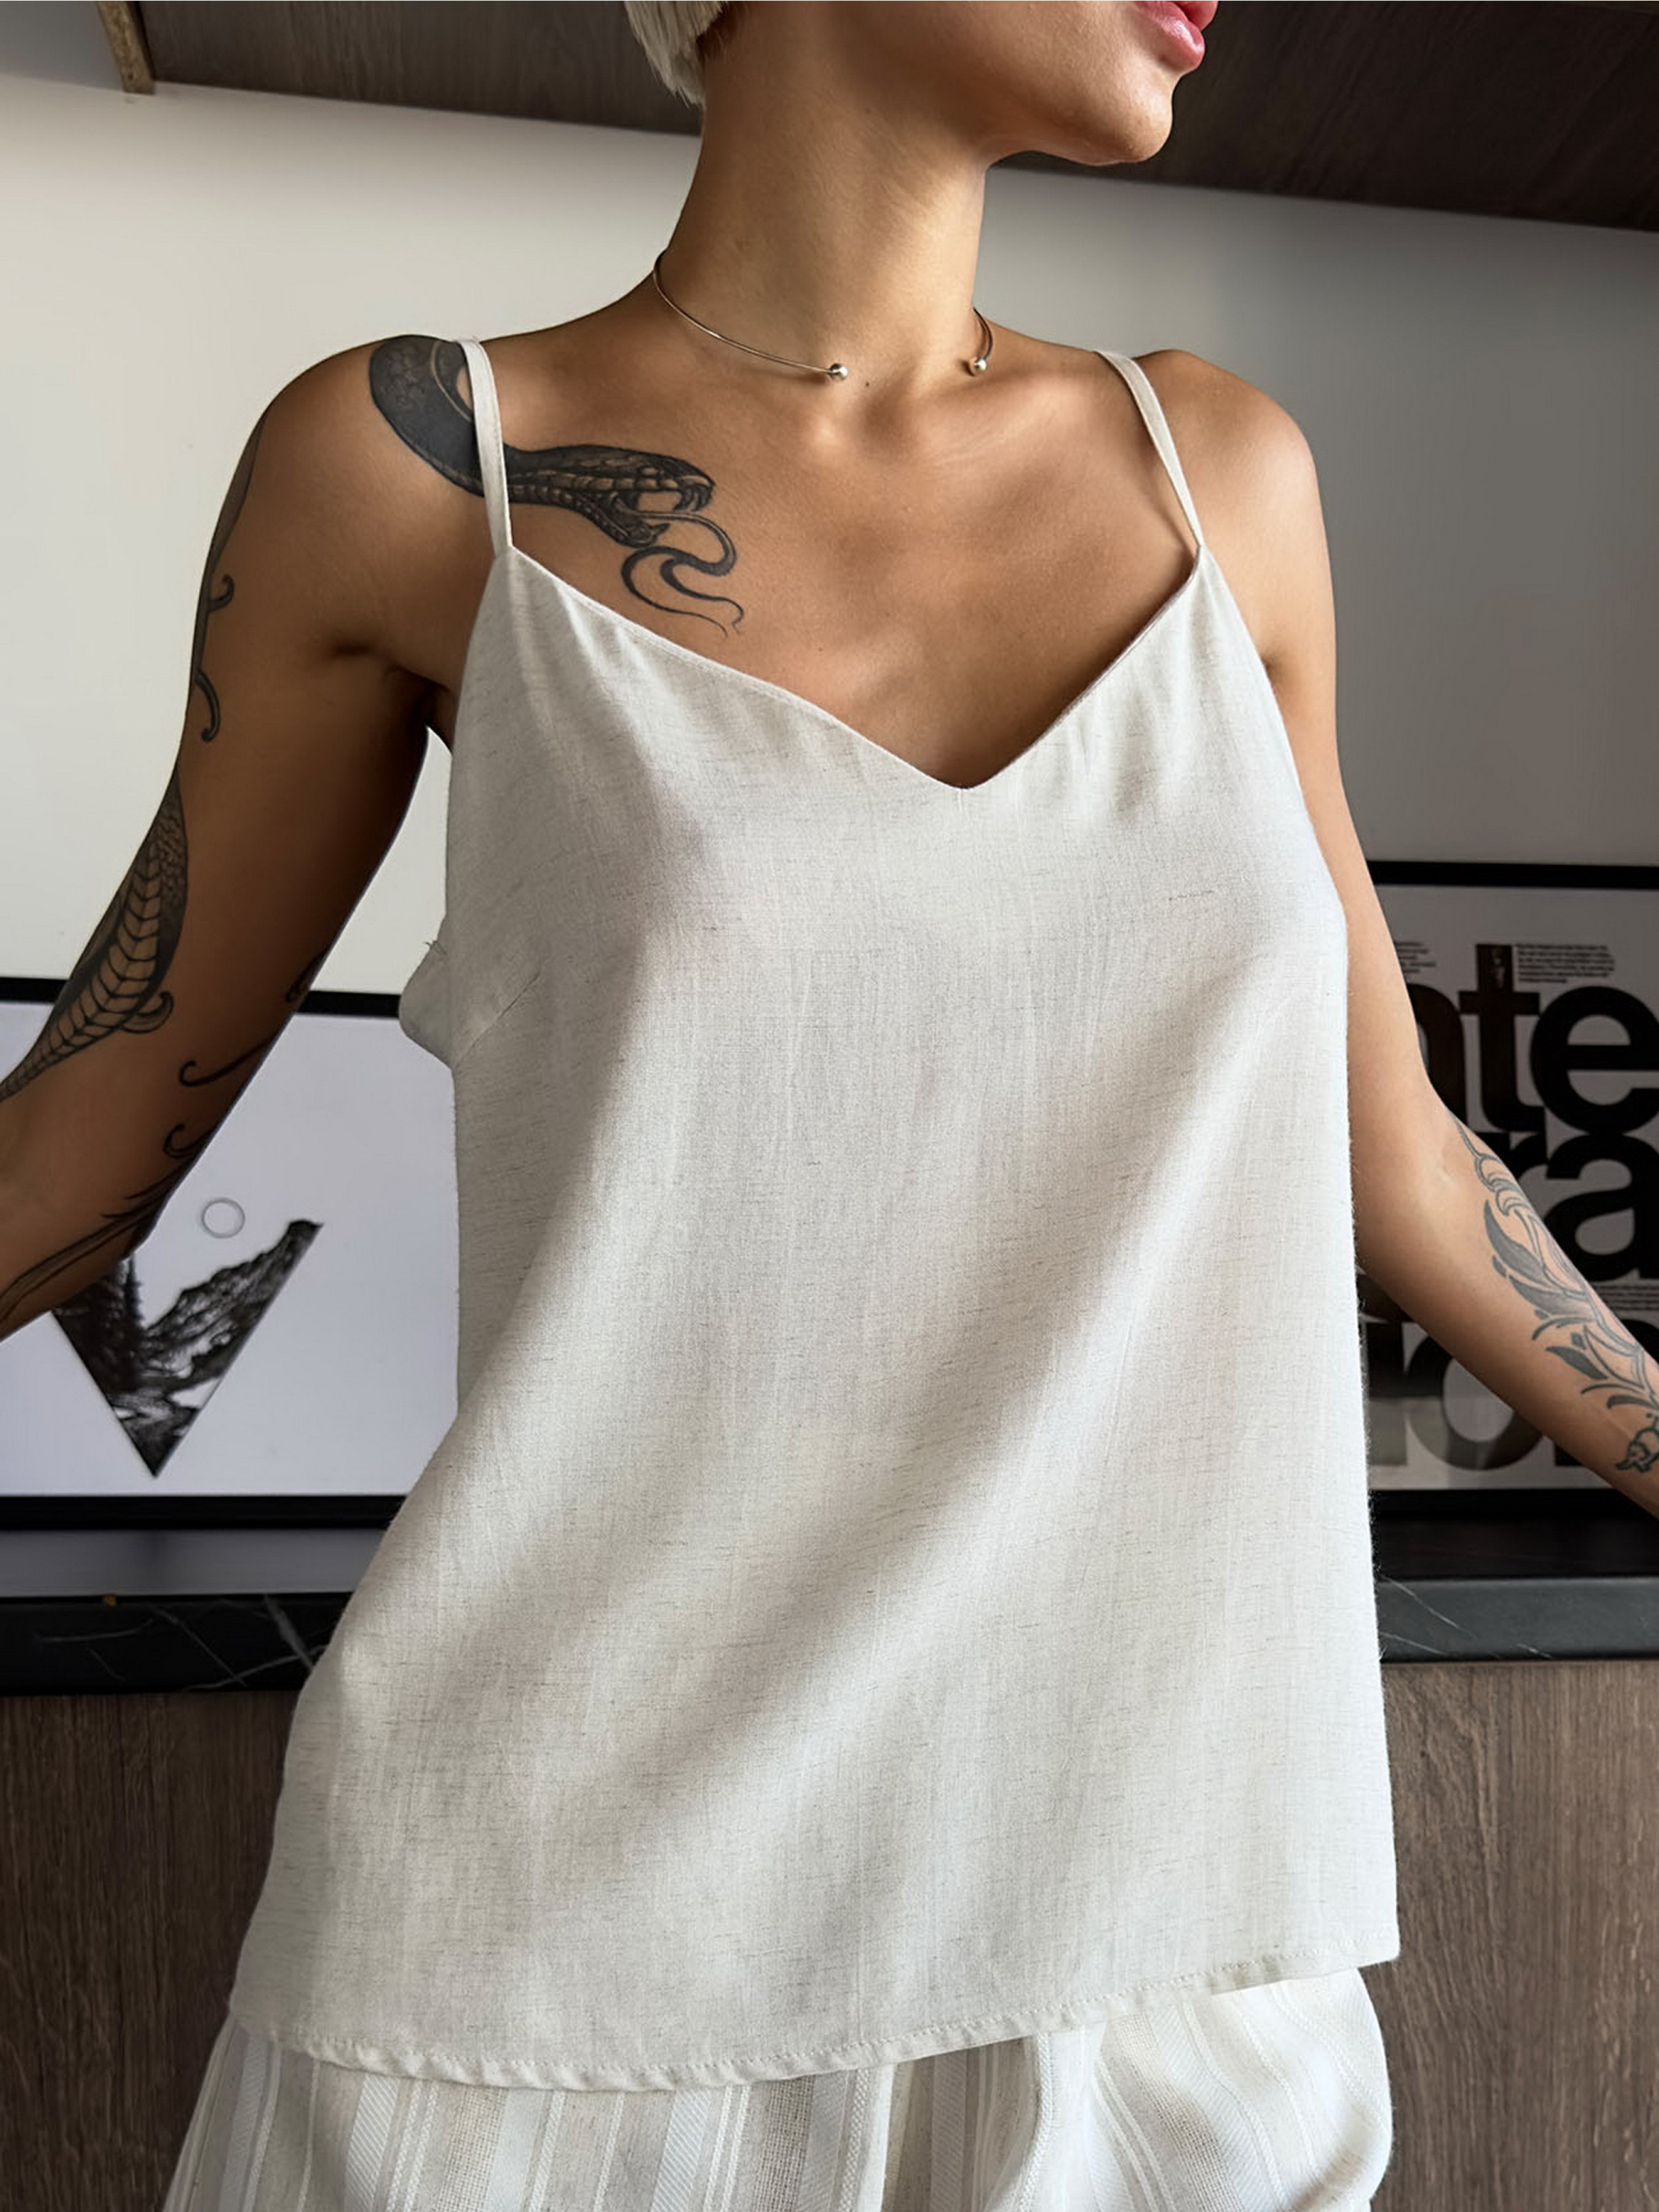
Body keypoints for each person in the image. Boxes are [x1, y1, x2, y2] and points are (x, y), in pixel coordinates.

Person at [8, 2, 1653, 2205]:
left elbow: (1396, 1154)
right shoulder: (414, 461)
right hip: (548, 1966)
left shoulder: (1221, 473)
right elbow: (81, 1152)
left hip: (1159, 1930)